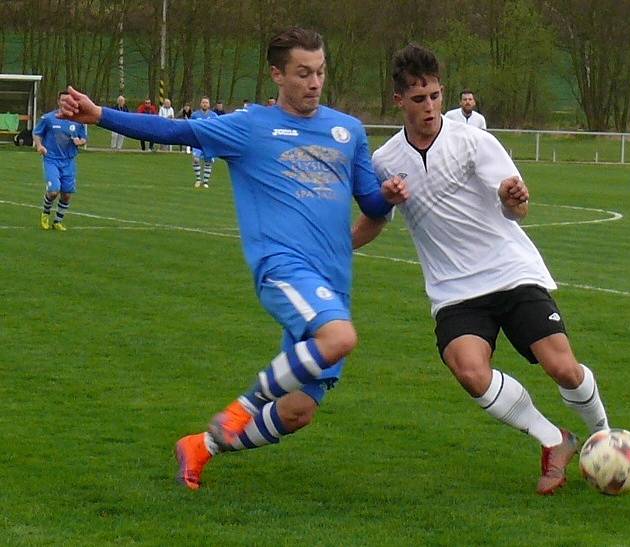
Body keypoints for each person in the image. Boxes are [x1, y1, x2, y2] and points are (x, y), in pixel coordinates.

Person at [58, 27, 407, 491]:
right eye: (303, 73)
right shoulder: (249, 127)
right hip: (283, 269)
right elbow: (174, 129)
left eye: (320, 72)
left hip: (333, 281)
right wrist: (100, 115)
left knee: (299, 410)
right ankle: (242, 407)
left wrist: (386, 196)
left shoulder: (349, 131)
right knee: (340, 337)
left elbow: (371, 204)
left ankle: (201, 445)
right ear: (277, 75)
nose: (314, 82)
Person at [352, 44, 610, 495]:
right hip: (454, 289)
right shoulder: (384, 161)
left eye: (434, 95)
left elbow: (516, 206)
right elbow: (376, 218)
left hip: (510, 272)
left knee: (563, 368)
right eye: (418, 99)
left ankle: (606, 439)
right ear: (399, 101)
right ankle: (555, 440)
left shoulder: (473, 140)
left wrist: (514, 198)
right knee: (470, 371)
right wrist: (339, 247)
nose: (429, 106)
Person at [33, 90, 88, 231]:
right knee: (53, 191)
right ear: (58, 102)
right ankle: (45, 214)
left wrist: (79, 142)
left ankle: (58, 221)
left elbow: (84, 138)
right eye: (63, 100)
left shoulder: (78, 121)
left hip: (69, 161)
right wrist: (39, 146)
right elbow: (37, 133)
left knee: (67, 194)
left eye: (68, 100)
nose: (65, 103)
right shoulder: (48, 118)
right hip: (51, 159)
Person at [190, 97, 218, 188]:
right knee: (195, 159)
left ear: (209, 104)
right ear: (200, 104)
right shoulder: (195, 115)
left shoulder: (214, 115)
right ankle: (198, 179)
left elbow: (217, 127)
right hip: (197, 141)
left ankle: (205, 182)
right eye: (203, 102)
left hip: (209, 142)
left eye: (206, 102)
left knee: (208, 161)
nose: (205, 104)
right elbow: (190, 126)